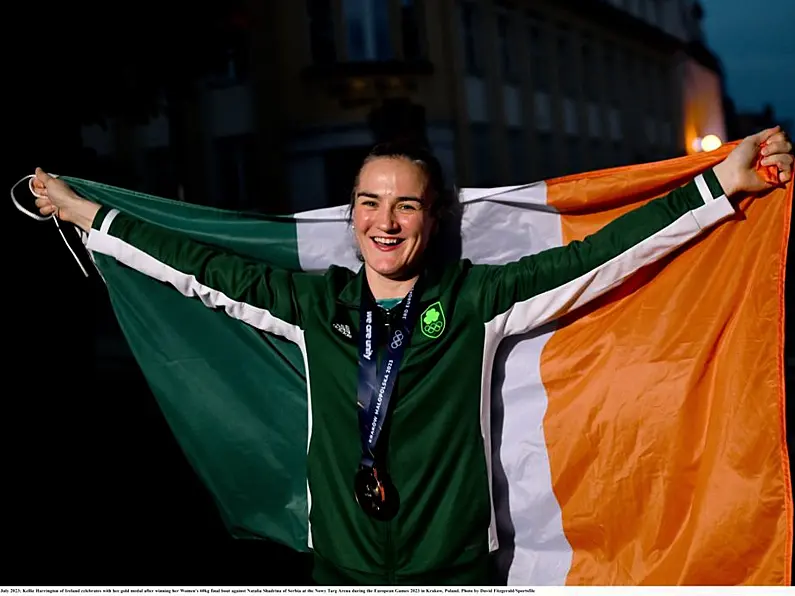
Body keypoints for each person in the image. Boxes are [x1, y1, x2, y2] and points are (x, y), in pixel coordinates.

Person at [31, 127, 793, 585]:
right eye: (369, 201)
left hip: (454, 577)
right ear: (350, 211)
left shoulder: (471, 302)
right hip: (341, 576)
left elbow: (604, 254)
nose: (384, 222)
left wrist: (718, 182)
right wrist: (84, 212)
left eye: (405, 204)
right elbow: (198, 268)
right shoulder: (316, 304)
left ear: (432, 218)